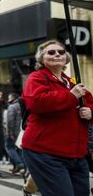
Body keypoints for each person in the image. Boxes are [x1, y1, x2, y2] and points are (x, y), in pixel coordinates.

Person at [21, 40, 93, 196]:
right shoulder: (36, 78)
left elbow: (88, 100)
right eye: (51, 52)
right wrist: (70, 96)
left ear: (66, 57)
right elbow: (37, 102)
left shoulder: (71, 81)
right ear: (41, 58)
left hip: (77, 155)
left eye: (61, 52)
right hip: (45, 153)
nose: (57, 55)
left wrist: (90, 112)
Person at [5, 92, 25, 173]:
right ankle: (19, 166)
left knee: (9, 147)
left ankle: (19, 163)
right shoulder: (22, 105)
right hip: (22, 131)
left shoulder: (12, 107)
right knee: (19, 149)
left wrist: (10, 133)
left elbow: (10, 121)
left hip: (14, 132)